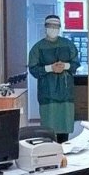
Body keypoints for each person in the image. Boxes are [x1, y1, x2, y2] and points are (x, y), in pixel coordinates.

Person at [28, 15, 80, 143]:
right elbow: (33, 69)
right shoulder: (38, 48)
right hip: (48, 94)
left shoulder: (68, 45)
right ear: (45, 27)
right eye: (50, 26)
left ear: (60, 28)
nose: (53, 29)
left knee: (64, 127)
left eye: (56, 27)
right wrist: (50, 68)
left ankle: (64, 151)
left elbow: (75, 63)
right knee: (49, 129)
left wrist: (65, 66)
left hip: (66, 93)